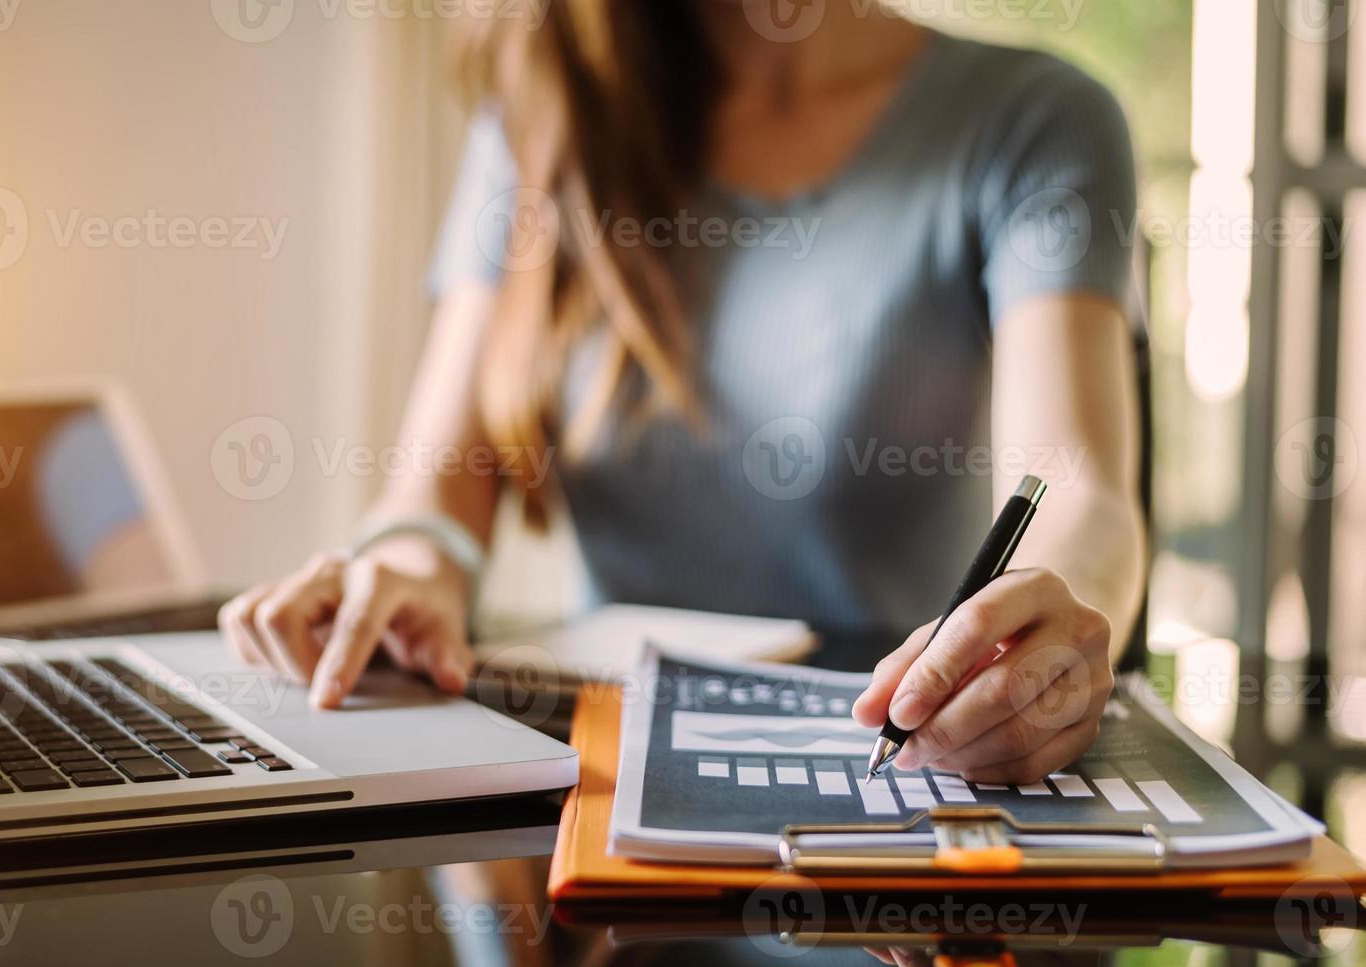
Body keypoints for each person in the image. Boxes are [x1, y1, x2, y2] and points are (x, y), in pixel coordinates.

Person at [219, 2, 1146, 786]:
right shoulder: (542, 121)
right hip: (598, 804)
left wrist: (1064, 607)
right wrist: (413, 562)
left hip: (892, 791)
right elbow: (437, 489)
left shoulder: (1035, 121)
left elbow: (1077, 489)